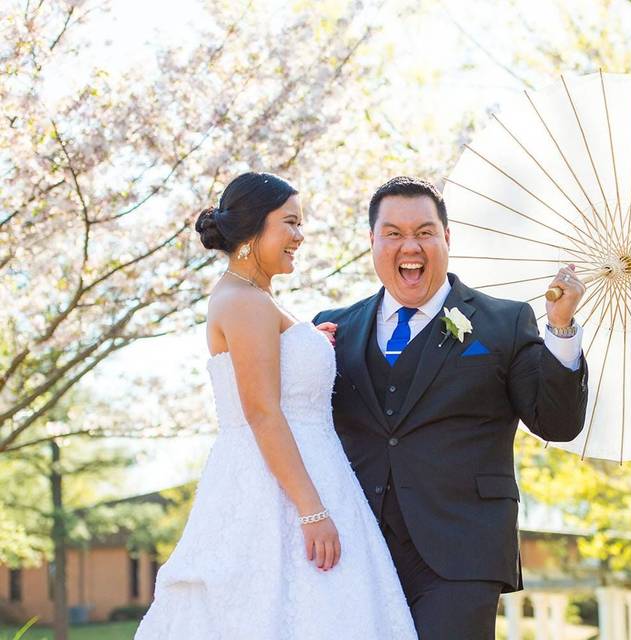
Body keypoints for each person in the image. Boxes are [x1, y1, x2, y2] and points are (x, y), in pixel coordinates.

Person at [135, 172, 417, 640]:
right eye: (289, 223)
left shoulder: (254, 298)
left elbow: (276, 367)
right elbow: (262, 413)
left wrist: (309, 343)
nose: (299, 237)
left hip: (309, 473)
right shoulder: (244, 302)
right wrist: (311, 511)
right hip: (277, 495)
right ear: (252, 228)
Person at [313, 176, 589, 640]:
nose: (410, 247)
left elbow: (557, 422)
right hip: (358, 548)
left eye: (424, 232)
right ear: (372, 241)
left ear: (446, 238)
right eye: (394, 234)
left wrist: (560, 331)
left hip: (464, 548)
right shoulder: (332, 329)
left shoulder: (504, 321)